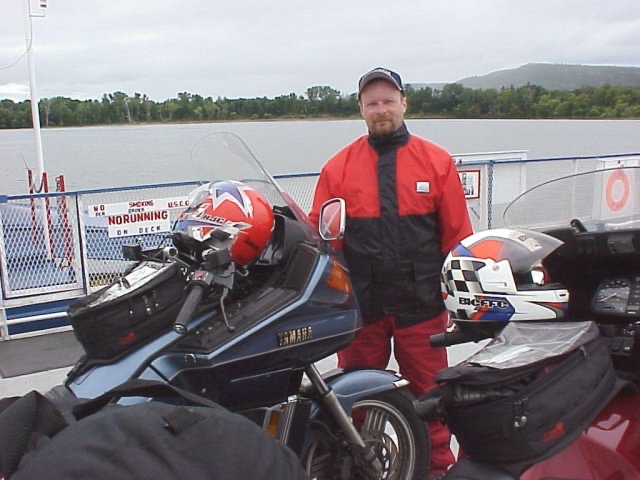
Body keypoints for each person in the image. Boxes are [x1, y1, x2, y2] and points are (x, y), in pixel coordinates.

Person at [308, 67, 473, 478]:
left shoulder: (437, 163)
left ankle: (437, 470)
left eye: (388, 101)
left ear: (404, 103)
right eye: (372, 103)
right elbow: (318, 236)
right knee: (355, 402)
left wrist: (460, 301)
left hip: (423, 309)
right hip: (363, 310)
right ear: (361, 110)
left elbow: (458, 239)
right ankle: (358, 470)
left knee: (432, 398)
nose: (381, 110)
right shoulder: (337, 168)